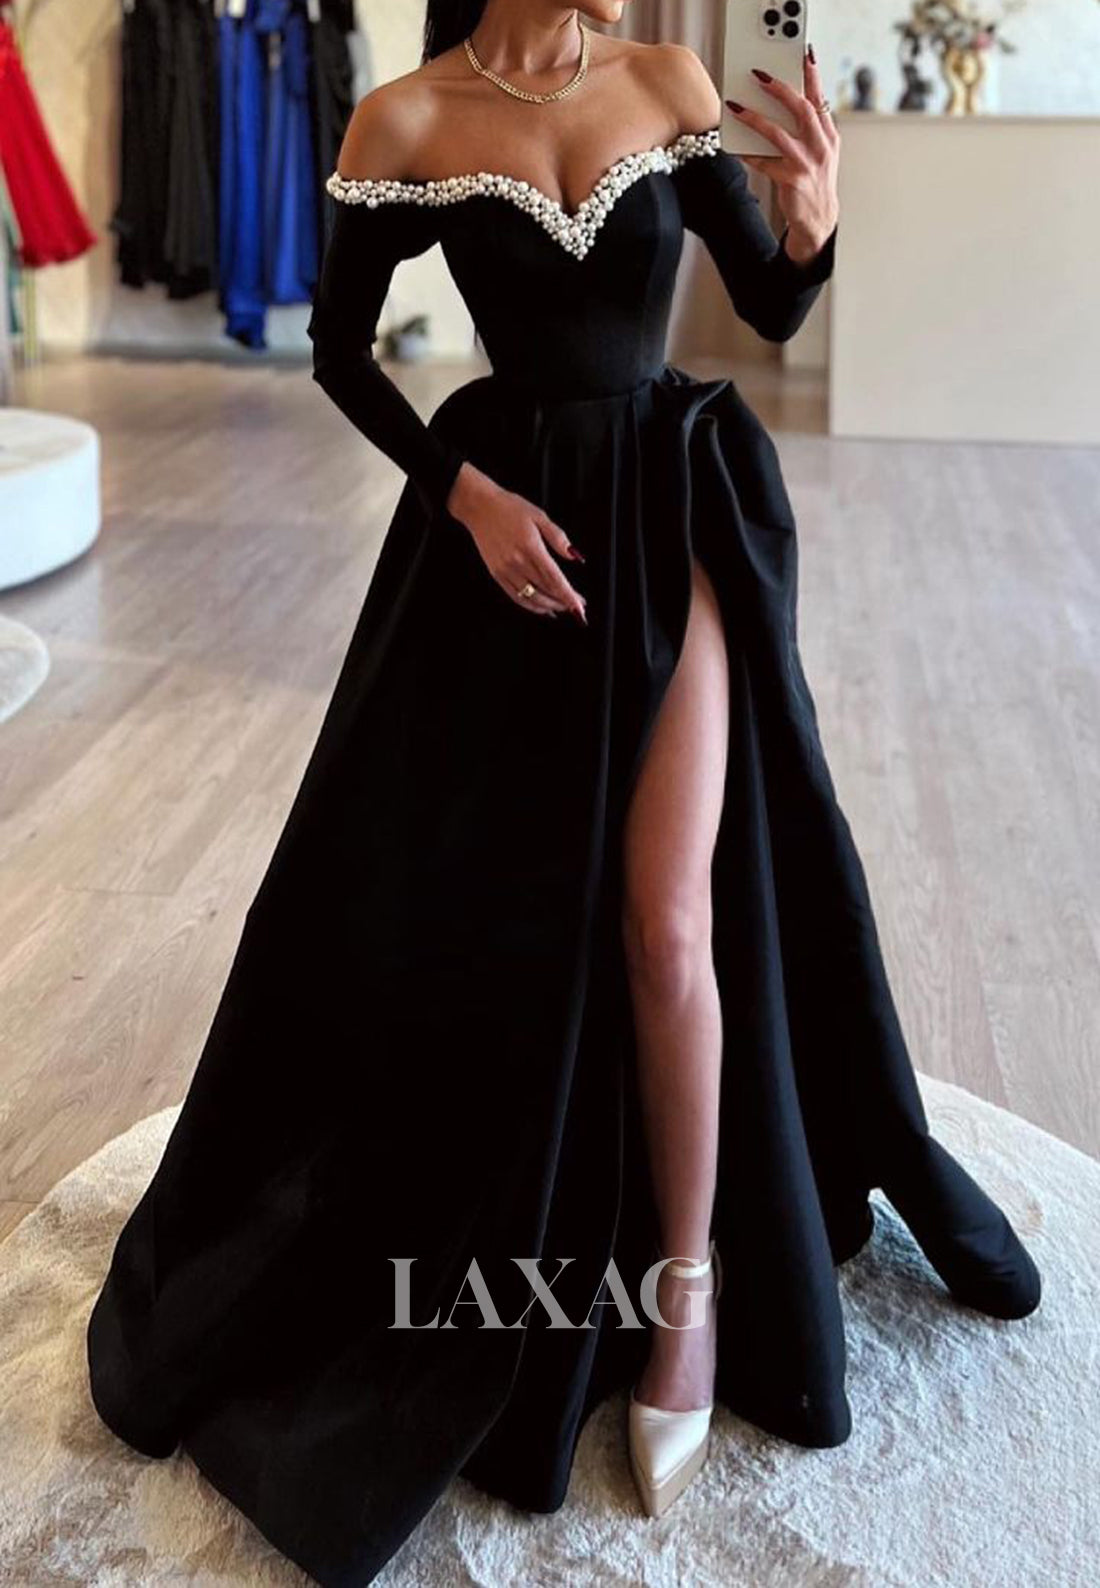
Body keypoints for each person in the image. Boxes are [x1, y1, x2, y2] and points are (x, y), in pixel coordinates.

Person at [86, 5, 1042, 1585]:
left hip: (673, 516)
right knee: (480, 908)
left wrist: (814, 227)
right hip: (513, 549)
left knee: (667, 922)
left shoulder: (666, 82)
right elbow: (337, 352)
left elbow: (770, 304)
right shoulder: (402, 118)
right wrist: (462, 495)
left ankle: (686, 1298)